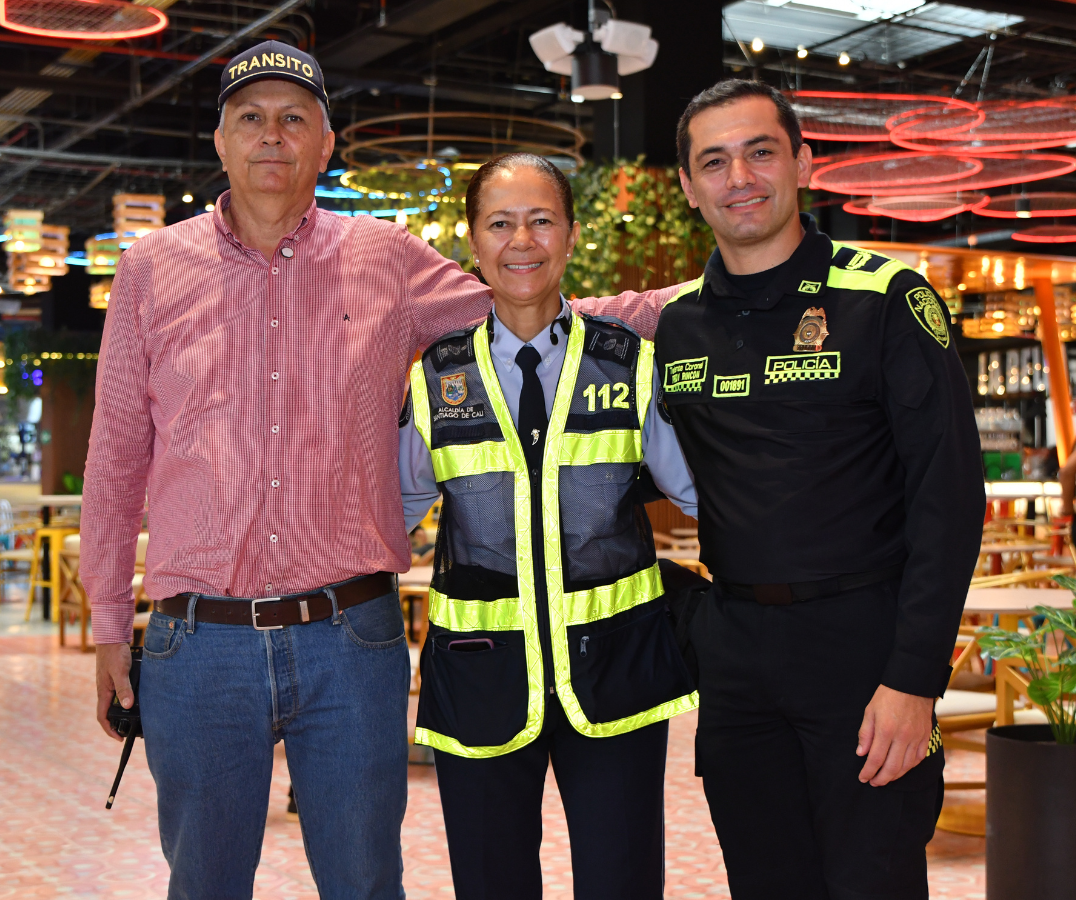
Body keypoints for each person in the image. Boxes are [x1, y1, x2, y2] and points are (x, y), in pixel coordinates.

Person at [82, 41, 678, 899]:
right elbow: (114, 458)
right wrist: (109, 624)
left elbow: (525, 304)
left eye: (296, 118)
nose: (272, 136)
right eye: (251, 118)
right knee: (204, 885)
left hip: (350, 642)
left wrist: (705, 301)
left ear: (328, 143)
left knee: (365, 884)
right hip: (199, 642)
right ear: (220, 140)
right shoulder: (149, 270)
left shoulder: (386, 257)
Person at [619, 80, 986, 899]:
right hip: (739, 659)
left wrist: (915, 679)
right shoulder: (678, 325)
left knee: (873, 882)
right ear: (688, 187)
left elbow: (950, 500)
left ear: (803, 163)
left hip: (865, 652)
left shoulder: (884, 299)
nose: (740, 178)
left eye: (760, 152)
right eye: (714, 162)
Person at [398, 152, 698, 900]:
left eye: (541, 221)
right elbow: (385, 521)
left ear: (570, 236)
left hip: (618, 674)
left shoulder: (627, 364)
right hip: (480, 677)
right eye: (501, 224)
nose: (522, 241)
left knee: (622, 884)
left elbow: (704, 498)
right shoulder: (435, 378)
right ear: (473, 241)